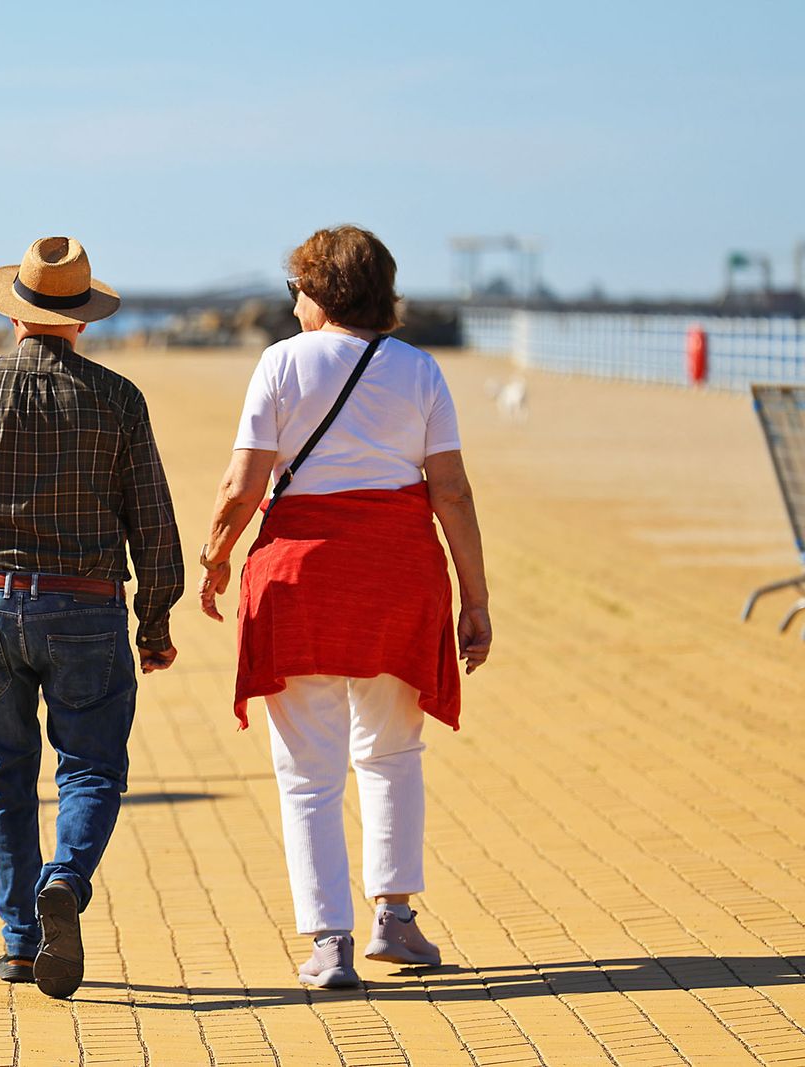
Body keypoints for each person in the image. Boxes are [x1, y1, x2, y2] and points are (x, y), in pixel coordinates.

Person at [197, 225, 491, 990]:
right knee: (391, 754)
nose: (291, 300)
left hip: (298, 581)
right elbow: (450, 491)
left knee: (307, 773)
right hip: (398, 577)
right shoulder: (420, 370)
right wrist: (476, 597)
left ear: (320, 291)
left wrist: (218, 557)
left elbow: (243, 484)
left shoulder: (280, 364)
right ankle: (394, 917)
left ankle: (329, 941)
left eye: (296, 287)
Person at [0, 236, 184, 999]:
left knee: (3, 773)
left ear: (17, 313)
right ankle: (65, 877)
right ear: (82, 321)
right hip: (87, 606)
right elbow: (152, 520)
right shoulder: (118, 398)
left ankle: (21, 943)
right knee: (91, 765)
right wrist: (155, 621)